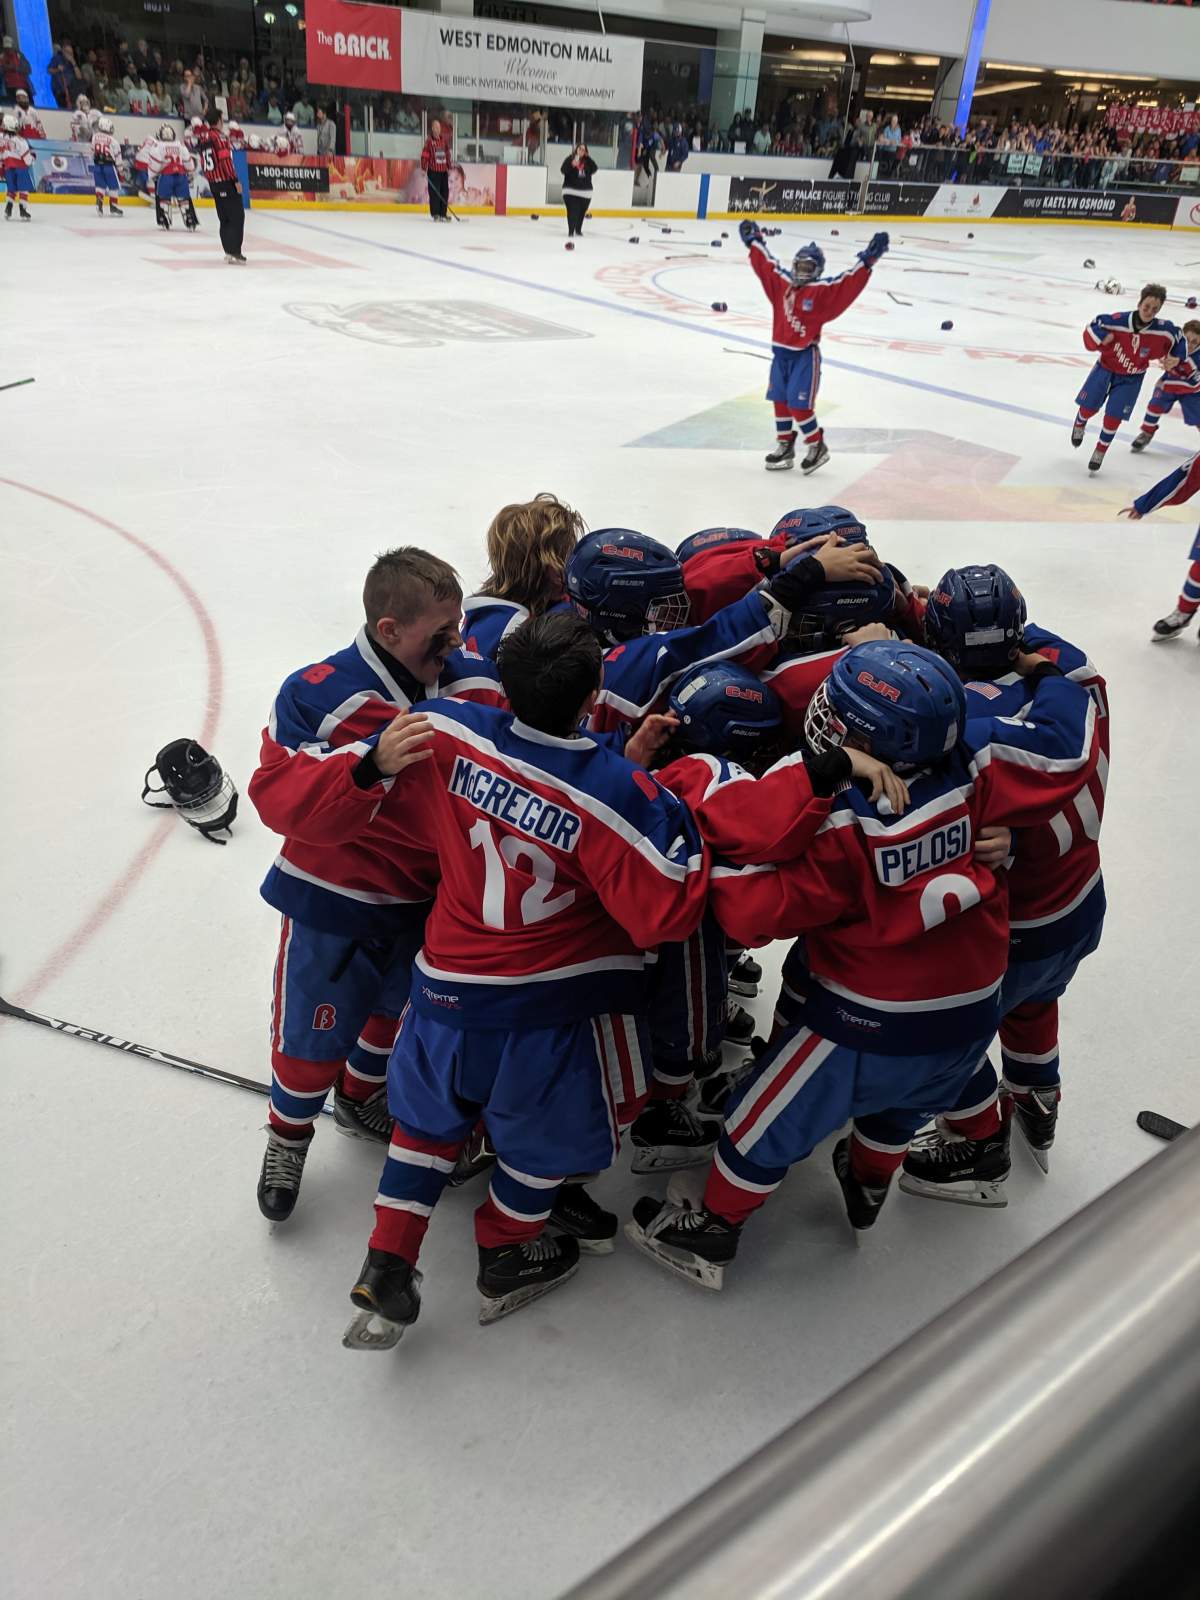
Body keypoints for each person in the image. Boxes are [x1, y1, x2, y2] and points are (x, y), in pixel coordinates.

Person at [626, 639, 1100, 1289]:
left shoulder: (845, 819)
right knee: (920, 1096)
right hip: (973, 1008)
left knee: (761, 1121)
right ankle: (916, 1167)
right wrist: (1048, 673)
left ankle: (712, 1229)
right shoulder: (979, 761)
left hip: (869, 1022)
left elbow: (755, 916)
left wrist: (712, 873)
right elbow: (1062, 741)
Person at [339, 610, 714, 1347]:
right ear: (593, 692)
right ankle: (506, 1248)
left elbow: (527, 764)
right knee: (543, 1151)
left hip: (442, 994)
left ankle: (387, 1260)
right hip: (543, 1015)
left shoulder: (446, 726)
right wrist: (672, 805)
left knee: (425, 1126)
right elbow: (666, 910)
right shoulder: (617, 793)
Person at [247, 548, 503, 1223]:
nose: (456, 645)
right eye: (439, 634)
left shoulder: (471, 679)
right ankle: (288, 1135)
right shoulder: (317, 690)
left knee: (394, 1014)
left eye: (458, 628)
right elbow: (276, 796)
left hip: (428, 900)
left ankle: (362, 1097)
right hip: (335, 902)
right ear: (389, 630)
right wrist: (369, 764)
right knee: (310, 1038)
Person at [898, 566, 1108, 1199]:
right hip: (1080, 903)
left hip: (1013, 930)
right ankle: (1038, 1097)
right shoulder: (1072, 671)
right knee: (1037, 1004)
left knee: (946, 1036)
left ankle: (977, 1147)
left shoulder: (967, 731)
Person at [739, 219, 889, 475]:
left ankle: (816, 445)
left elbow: (846, 284)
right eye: (799, 265)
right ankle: (785, 446)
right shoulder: (782, 286)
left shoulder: (820, 292)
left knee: (799, 406)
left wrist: (867, 261)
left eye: (809, 267)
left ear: (817, 269)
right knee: (779, 400)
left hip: (804, 357)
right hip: (780, 356)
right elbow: (767, 266)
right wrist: (754, 241)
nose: (803, 271)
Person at [1072, 283, 1183, 471]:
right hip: (1105, 370)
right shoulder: (1117, 321)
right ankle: (1080, 423)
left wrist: (1176, 356)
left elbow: (1179, 338)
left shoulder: (1163, 330)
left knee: (1114, 416)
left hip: (1132, 378)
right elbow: (1092, 327)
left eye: (1155, 309)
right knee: (1089, 408)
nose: (1149, 312)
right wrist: (1100, 337)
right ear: (1139, 303)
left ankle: (1100, 450)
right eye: (1147, 306)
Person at [461, 492, 586, 659]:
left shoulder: (485, 613)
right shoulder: (517, 631)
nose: (573, 568)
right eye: (568, 558)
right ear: (553, 570)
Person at [1131, 319, 1200, 451]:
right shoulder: (1173, 344)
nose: (1189, 345)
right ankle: (1146, 433)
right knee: (1154, 406)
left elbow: (1195, 382)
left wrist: (1182, 366)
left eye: (1194, 342)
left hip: (1191, 390)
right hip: (1169, 383)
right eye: (1187, 339)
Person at [194, 106, 245, 263]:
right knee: (237, 217)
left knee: (224, 218)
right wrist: (235, 180)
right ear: (218, 121)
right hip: (226, 183)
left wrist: (211, 179)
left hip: (214, 183)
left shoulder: (203, 138)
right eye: (222, 119)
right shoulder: (220, 138)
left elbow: (204, 162)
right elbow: (225, 160)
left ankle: (228, 251)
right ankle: (235, 251)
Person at [147, 122, 198, 230]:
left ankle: (165, 219)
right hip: (181, 175)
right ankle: (189, 219)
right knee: (183, 199)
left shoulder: (158, 146)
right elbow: (187, 160)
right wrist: (190, 172)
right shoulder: (180, 145)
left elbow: (155, 163)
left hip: (166, 176)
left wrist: (152, 175)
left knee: (164, 198)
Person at [1, 111, 34, 219]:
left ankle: (8, 210)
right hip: (21, 168)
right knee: (23, 189)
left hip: (8, 168)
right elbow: (28, 159)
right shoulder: (20, 141)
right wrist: (33, 158)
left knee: (11, 188)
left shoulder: (1, 138)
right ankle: (23, 211)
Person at [560, 142, 596, 237]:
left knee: (581, 212)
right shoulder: (570, 158)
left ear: (586, 152)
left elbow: (595, 168)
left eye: (584, 149)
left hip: (585, 192)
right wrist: (571, 165)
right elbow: (563, 170)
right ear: (576, 149)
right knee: (572, 210)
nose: (581, 151)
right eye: (580, 148)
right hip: (570, 190)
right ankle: (571, 231)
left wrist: (588, 158)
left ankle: (578, 229)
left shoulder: (587, 161)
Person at [90, 116, 123, 216]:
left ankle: (99, 203)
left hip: (97, 166)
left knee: (100, 185)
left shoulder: (95, 137)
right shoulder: (113, 141)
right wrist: (120, 170)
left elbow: (92, 151)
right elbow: (118, 156)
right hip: (109, 166)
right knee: (114, 187)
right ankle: (113, 207)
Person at [421, 117, 451, 220]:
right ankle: (436, 214)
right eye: (436, 127)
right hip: (433, 171)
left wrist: (449, 166)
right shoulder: (429, 141)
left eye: (439, 127)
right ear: (432, 128)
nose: (438, 129)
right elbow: (425, 154)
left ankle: (443, 213)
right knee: (434, 193)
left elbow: (447, 154)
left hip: (443, 171)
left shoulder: (444, 141)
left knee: (445, 192)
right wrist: (424, 167)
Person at [1, 37, 33, 102]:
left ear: (13, 46)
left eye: (9, 47)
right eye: (6, 48)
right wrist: (4, 68)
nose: (8, 49)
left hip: (23, 86)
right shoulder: (1, 57)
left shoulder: (19, 55)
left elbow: (28, 69)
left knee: (29, 107)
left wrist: (14, 68)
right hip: (9, 88)